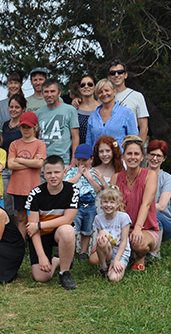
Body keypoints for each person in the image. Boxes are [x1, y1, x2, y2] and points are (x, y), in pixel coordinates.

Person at [25, 155, 80, 290]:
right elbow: (32, 230)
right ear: (44, 174)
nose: (53, 176)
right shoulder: (35, 194)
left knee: (68, 230)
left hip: (58, 232)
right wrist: (42, 256)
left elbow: (68, 219)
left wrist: (39, 225)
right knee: (41, 277)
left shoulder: (73, 190)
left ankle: (64, 272)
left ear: (63, 173)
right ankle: (57, 260)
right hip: (41, 234)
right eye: (49, 173)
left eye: (57, 172)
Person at [111, 135, 159, 271]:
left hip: (145, 228)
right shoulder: (116, 178)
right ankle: (125, 254)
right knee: (94, 259)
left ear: (142, 157)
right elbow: (112, 207)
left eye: (136, 154)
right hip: (122, 228)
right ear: (123, 157)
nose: (133, 157)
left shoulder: (150, 175)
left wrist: (137, 228)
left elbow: (146, 204)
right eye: (129, 153)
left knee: (139, 244)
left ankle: (139, 256)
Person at [7, 112, 46, 238]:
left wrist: (20, 159)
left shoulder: (40, 144)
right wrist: (32, 162)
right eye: (23, 127)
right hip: (18, 187)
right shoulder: (15, 144)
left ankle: (33, 246)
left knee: (33, 218)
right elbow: (10, 165)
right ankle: (21, 246)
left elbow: (39, 164)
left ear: (35, 128)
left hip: (33, 186)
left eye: (29, 127)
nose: (26, 130)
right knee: (21, 217)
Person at [63, 144, 102, 259]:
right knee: (74, 228)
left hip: (90, 205)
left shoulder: (94, 173)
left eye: (84, 160)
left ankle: (83, 252)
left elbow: (98, 188)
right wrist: (79, 174)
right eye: (78, 160)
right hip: (75, 204)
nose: (80, 163)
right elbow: (67, 185)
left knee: (87, 229)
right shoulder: (71, 171)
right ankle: (72, 250)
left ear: (91, 159)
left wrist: (89, 177)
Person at [89, 186, 131, 282]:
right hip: (108, 250)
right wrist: (101, 234)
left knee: (113, 278)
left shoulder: (124, 218)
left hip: (121, 251)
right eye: (105, 202)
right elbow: (102, 238)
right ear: (101, 203)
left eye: (112, 202)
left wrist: (116, 259)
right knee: (102, 240)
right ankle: (103, 267)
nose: (108, 205)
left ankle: (116, 264)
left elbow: (124, 241)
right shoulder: (98, 218)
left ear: (117, 204)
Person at [36, 78, 79, 167]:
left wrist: (74, 159)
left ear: (59, 93)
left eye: (52, 91)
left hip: (63, 161)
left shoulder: (70, 110)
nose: (49, 95)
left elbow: (75, 137)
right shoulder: (39, 113)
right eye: (46, 92)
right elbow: (35, 137)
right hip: (42, 162)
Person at [86, 79, 138, 147]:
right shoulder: (93, 116)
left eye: (107, 90)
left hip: (120, 156)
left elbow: (133, 140)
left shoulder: (126, 113)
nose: (104, 94)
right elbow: (89, 143)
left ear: (114, 91)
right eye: (100, 92)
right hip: (97, 156)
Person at [107, 60, 149, 144]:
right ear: (109, 77)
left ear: (125, 75)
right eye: (113, 73)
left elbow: (144, 127)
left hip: (130, 146)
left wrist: (139, 148)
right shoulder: (103, 97)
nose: (116, 75)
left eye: (120, 72)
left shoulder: (137, 96)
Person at [1, 94, 26, 218]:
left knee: (18, 205)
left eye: (17, 107)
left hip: (19, 169)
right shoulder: (4, 125)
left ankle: (19, 233)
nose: (13, 110)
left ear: (23, 109)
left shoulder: (24, 127)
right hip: (5, 168)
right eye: (11, 107)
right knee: (6, 202)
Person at [147, 140, 171, 243]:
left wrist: (140, 208)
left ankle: (156, 252)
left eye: (159, 156)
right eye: (152, 154)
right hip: (142, 219)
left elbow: (161, 206)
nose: (154, 159)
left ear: (164, 158)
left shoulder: (167, 178)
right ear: (147, 155)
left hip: (166, 222)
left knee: (152, 212)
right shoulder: (139, 175)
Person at [74, 75, 100, 144]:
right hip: (78, 150)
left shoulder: (101, 108)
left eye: (90, 84)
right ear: (79, 88)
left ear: (95, 87)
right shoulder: (74, 108)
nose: (86, 86)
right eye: (83, 85)